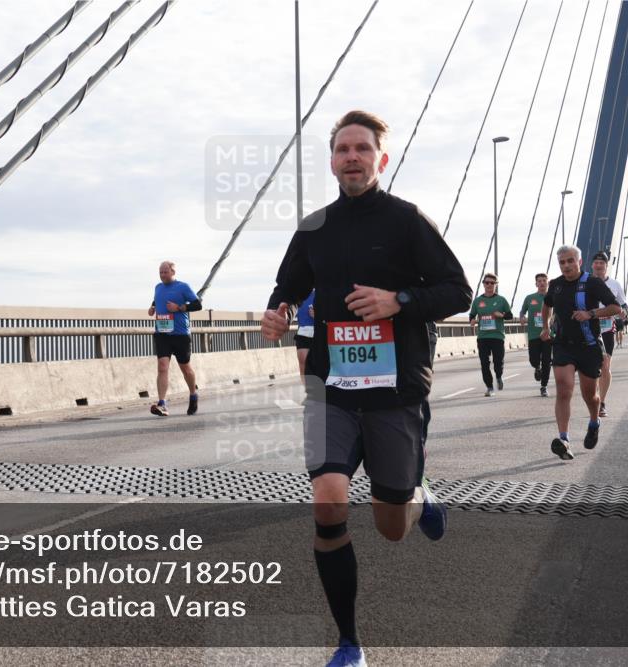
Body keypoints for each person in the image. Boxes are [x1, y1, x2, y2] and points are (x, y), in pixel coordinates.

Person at [260, 110, 471, 667]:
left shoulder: (407, 221)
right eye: (341, 149)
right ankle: (349, 642)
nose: (351, 156)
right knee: (328, 501)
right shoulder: (313, 227)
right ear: (332, 160)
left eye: (361, 148)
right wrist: (277, 312)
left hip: (395, 390)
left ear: (381, 158)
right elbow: (289, 283)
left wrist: (397, 301)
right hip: (331, 388)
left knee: (391, 525)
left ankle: (419, 491)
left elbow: (458, 291)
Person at [540, 245, 622, 460]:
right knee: (563, 388)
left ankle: (594, 422)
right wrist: (546, 327)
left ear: (579, 261)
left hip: (588, 346)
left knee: (590, 396)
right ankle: (564, 439)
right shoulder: (556, 285)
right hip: (563, 345)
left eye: (570, 261)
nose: (566, 265)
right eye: (562, 262)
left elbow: (615, 308)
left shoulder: (592, 283)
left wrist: (591, 313)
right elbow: (546, 305)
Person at [148, 261, 202, 416]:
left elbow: (198, 305)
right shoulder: (158, 287)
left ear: (173, 272)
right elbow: (157, 299)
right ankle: (162, 404)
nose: (162, 275)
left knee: (185, 368)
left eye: (165, 272)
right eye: (160, 272)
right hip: (162, 333)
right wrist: (152, 308)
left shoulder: (183, 287)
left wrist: (179, 308)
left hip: (180, 334)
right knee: (162, 366)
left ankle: (193, 394)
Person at [590, 251, 626, 418]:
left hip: (606, 329)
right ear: (592, 265)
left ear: (606, 266)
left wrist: (623, 313)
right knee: (592, 368)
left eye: (602, 263)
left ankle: (601, 402)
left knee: (605, 366)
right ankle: (594, 397)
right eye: (596, 263)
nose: (599, 266)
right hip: (588, 328)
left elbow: (622, 304)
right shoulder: (586, 283)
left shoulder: (615, 284)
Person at [469, 273, 514, 396]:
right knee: (484, 363)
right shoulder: (478, 301)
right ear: (483, 284)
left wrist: (502, 315)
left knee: (498, 362)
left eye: (492, 283)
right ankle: (489, 387)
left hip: (497, 336)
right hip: (483, 337)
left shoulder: (501, 300)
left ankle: (499, 376)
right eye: (487, 282)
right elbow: (472, 315)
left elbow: (510, 316)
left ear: (496, 285)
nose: (489, 285)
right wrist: (472, 320)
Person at [519, 273, 552, 397]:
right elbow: (523, 311)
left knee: (547, 361)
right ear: (536, 284)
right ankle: (537, 367)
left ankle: (544, 386)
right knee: (534, 359)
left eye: (544, 280)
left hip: (549, 334)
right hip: (533, 334)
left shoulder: (553, 297)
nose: (542, 283)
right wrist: (522, 317)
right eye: (539, 281)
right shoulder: (530, 298)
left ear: (547, 283)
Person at [295, 290, 316, 376]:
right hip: (303, 334)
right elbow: (289, 311)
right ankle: (308, 388)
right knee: (303, 365)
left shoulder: (324, 292)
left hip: (319, 334)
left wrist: (318, 315)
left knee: (318, 366)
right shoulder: (297, 295)